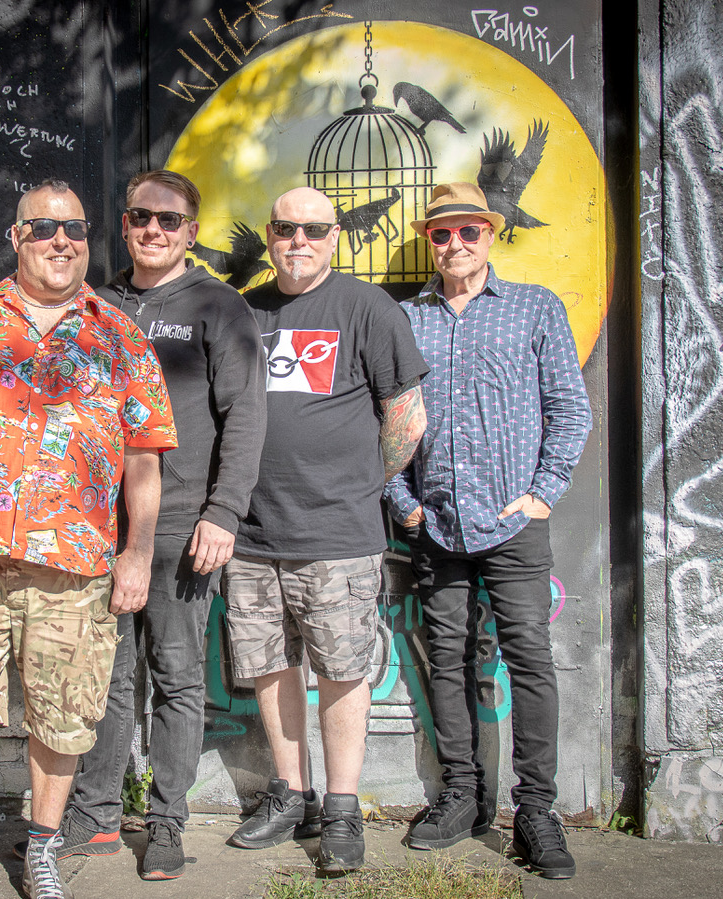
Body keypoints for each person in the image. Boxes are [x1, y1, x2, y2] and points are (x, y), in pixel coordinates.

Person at [0, 179, 178, 899]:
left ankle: (44, 850)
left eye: (75, 229)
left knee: (61, 718)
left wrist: (138, 552)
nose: (61, 240)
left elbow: (144, 459)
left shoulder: (119, 336)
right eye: (44, 228)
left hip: (75, 568)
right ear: (16, 238)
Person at [49, 170, 266, 880]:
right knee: (107, 678)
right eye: (141, 216)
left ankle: (168, 822)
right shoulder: (96, 303)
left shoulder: (218, 306)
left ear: (191, 232)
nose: (153, 229)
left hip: (181, 526)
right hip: (97, 527)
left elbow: (245, 416)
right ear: (124, 224)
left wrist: (223, 511)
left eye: (169, 220)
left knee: (175, 675)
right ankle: (96, 816)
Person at [385, 182, 592, 880]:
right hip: (436, 523)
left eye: (467, 231)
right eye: (441, 233)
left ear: (490, 235)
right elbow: (383, 416)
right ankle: (462, 795)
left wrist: (542, 494)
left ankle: (536, 810)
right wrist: (402, 501)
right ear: (429, 240)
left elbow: (569, 407)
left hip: (511, 523)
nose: (455, 244)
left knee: (529, 658)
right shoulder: (405, 318)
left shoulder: (534, 308)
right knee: (448, 660)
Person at [224, 186, 430, 873]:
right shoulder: (247, 310)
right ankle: (292, 794)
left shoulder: (367, 308)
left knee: (343, 671)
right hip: (252, 533)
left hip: (338, 532)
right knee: (269, 666)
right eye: (286, 228)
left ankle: (342, 807)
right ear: (270, 233)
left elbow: (407, 417)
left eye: (314, 230)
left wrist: (362, 481)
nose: (298, 241)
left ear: (335, 236)